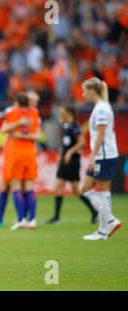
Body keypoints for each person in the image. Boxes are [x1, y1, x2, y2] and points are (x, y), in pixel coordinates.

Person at [0, 90, 39, 229]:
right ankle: (31, 220)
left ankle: (21, 219)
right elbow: (36, 135)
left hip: (15, 152)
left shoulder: (12, 112)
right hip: (30, 152)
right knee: (26, 186)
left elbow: (1, 123)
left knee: (14, 186)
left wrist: (17, 130)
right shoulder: (35, 114)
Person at [80, 77, 121, 240]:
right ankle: (107, 222)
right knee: (86, 189)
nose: (83, 94)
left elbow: (101, 134)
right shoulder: (100, 107)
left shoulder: (101, 109)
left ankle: (106, 226)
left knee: (103, 192)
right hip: (103, 155)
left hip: (104, 155)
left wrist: (92, 156)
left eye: (84, 91)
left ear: (92, 91)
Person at [45, 104, 98, 224]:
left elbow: (82, 142)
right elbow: (64, 143)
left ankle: (94, 212)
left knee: (76, 191)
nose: (60, 114)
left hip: (73, 161)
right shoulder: (63, 126)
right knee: (58, 186)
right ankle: (56, 217)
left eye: (62, 111)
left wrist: (69, 152)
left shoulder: (75, 126)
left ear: (69, 113)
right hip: (64, 161)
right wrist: (61, 153)